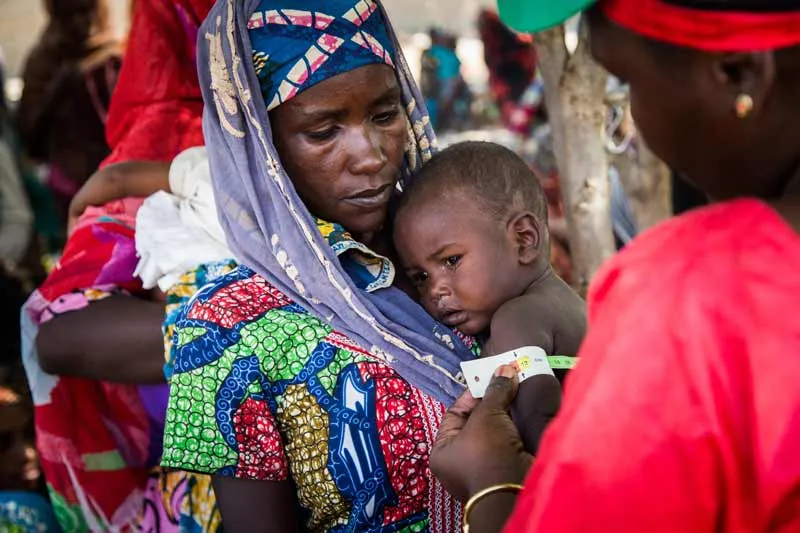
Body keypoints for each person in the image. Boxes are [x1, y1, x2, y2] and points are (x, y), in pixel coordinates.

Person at [429, 1, 800, 532]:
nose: (635, 125)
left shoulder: (694, 294)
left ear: (739, 73)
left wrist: (491, 485)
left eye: (626, 85)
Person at [160, 0, 482, 531]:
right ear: (261, 145)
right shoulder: (224, 330)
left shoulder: (461, 255)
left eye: (385, 114)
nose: (371, 154)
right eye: (323, 132)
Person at [22, 0, 217, 530]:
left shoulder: (58, 69)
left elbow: (34, 139)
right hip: (122, 219)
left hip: (101, 205)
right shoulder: (198, 142)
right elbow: (59, 334)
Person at [393, 141, 586, 453]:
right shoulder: (569, 305)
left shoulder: (518, 317)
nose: (435, 289)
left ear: (523, 239)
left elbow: (535, 424)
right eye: (421, 277)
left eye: (451, 260)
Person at [16, 0, 122, 228]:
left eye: (85, 12)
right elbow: (29, 135)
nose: (81, 23)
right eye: (71, 14)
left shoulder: (118, 55)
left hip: (122, 179)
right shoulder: (43, 64)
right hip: (74, 186)